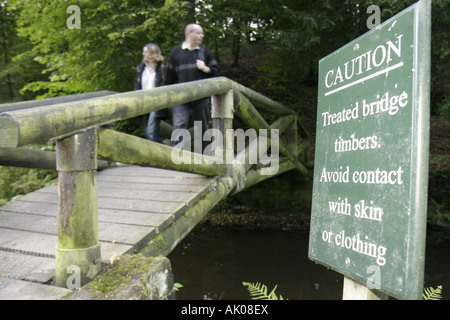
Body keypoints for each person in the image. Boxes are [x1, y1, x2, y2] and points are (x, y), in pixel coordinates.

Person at [164, 23, 220, 150]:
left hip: (201, 97)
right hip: (181, 97)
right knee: (179, 126)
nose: (202, 36)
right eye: (199, 33)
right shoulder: (176, 53)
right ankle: (177, 159)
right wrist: (165, 99)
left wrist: (206, 69)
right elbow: (168, 78)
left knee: (203, 128)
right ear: (190, 34)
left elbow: (217, 72)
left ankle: (208, 159)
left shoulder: (204, 52)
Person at [134, 43, 168, 143]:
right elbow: (137, 86)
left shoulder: (162, 68)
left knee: (151, 132)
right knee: (147, 132)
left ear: (153, 53)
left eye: (146, 52)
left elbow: (165, 85)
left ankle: (163, 152)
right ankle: (163, 150)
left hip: (156, 102)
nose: (143, 54)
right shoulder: (141, 68)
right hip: (144, 102)